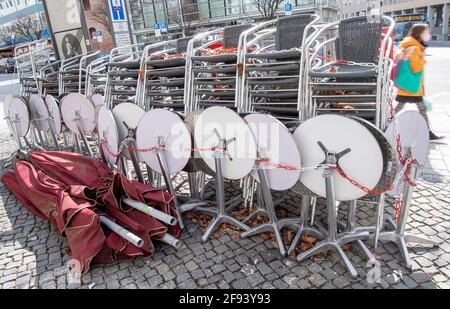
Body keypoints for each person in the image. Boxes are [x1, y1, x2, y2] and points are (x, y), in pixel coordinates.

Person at [395, 24, 442, 140]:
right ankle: (428, 133)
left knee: (402, 108)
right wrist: (423, 58)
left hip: (407, 87)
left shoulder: (410, 45)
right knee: (421, 109)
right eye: (426, 32)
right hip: (411, 88)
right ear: (419, 33)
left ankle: (428, 132)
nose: (428, 34)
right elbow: (416, 68)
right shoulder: (415, 48)